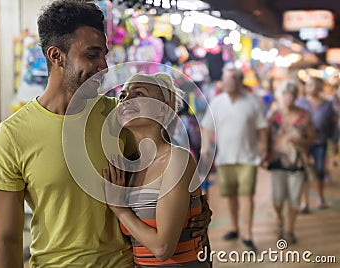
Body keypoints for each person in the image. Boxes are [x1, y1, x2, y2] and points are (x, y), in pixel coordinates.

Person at [0, 1, 211, 267]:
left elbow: (167, 176)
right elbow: (6, 239)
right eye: (92, 55)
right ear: (56, 56)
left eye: (104, 54)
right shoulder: (11, 137)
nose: (103, 66)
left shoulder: (121, 118)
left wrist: (194, 208)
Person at [103, 73, 211, 267]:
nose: (126, 100)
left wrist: (120, 209)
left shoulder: (177, 159)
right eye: (123, 96)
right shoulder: (129, 168)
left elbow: (163, 248)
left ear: (164, 109)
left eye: (139, 94)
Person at [200, 63, 267, 252]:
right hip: (225, 158)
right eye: (226, 79)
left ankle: (247, 233)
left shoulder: (252, 102)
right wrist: (205, 147)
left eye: (231, 79)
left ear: (239, 81)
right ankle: (234, 227)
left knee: (246, 196)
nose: (227, 83)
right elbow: (206, 126)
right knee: (230, 196)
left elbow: (262, 129)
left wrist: (263, 150)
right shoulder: (217, 102)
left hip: (248, 157)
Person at [265, 81, 315, 244]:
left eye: (291, 95)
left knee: (294, 197)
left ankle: (289, 229)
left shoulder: (304, 115)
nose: (288, 98)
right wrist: (265, 155)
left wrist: (301, 142)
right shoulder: (274, 115)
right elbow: (266, 136)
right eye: (285, 94)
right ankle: (280, 220)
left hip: (297, 161)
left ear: (295, 96)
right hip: (277, 160)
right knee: (277, 198)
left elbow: (312, 137)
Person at [296, 77, 338, 212]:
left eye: (313, 84)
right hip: (303, 142)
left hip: (320, 141)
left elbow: (333, 124)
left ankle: (320, 197)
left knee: (320, 169)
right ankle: (305, 201)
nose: (310, 87)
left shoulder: (327, 104)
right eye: (308, 84)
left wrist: (334, 141)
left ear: (319, 87)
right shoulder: (300, 103)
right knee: (303, 171)